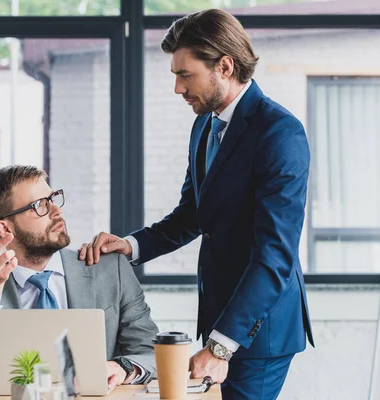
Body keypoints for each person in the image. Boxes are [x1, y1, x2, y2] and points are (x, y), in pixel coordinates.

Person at [78, 9, 314, 400]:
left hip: (259, 330)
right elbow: (193, 214)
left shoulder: (280, 134)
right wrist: (131, 245)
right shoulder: (205, 124)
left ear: (224, 66)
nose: (177, 88)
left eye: (184, 75)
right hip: (220, 318)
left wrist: (221, 345)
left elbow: (275, 257)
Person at [0, 165, 159, 389]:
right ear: (6, 229)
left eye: (52, 198)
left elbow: (152, 352)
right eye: (40, 206)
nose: (57, 211)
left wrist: (122, 367)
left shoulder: (109, 269)